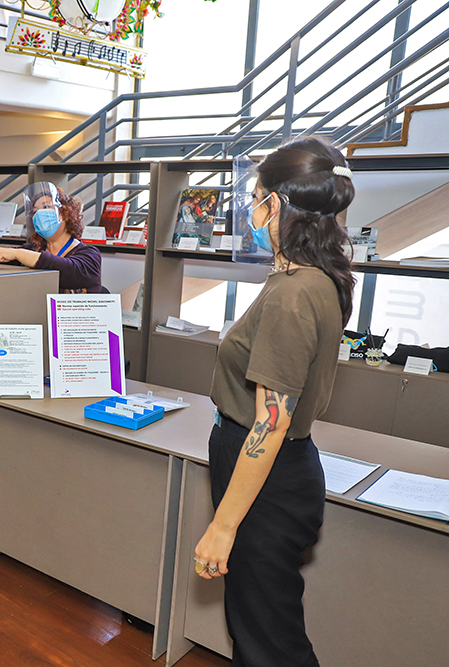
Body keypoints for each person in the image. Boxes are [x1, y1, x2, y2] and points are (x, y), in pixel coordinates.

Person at [194, 137, 356, 667]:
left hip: (264, 477)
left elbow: (271, 422)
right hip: (272, 472)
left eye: (258, 197)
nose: (252, 209)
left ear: (281, 206)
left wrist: (222, 526)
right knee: (260, 626)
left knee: (268, 642)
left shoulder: (293, 293)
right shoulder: (310, 278)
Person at [0, 182, 103, 293]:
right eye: (35, 211)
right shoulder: (33, 250)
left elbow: (67, 270)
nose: (39, 214)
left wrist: (17, 253)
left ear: (65, 214)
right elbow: (1, 258)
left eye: (46, 207)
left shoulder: (90, 254)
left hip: (77, 320)